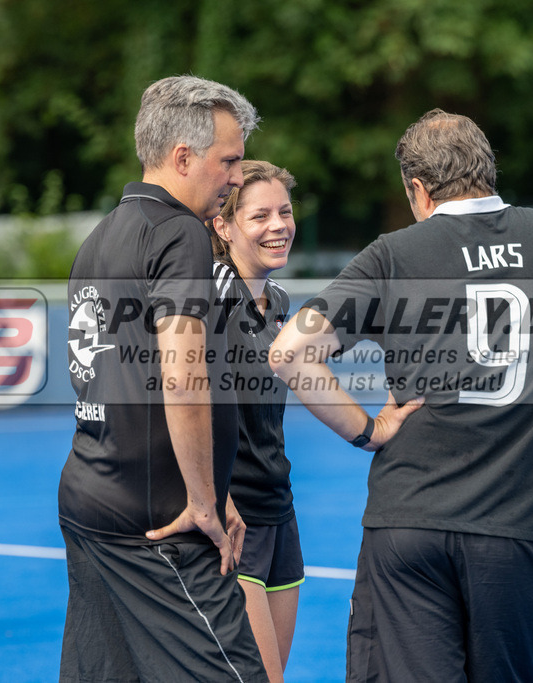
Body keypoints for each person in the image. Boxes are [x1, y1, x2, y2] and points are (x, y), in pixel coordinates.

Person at [269, 109, 533, 682]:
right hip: (513, 531)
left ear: (418, 188)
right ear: (487, 168)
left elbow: (289, 351)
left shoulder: (393, 253)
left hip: (407, 523)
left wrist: (366, 428)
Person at [58, 76, 269, 682]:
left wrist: (208, 480)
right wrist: (202, 500)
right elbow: (182, 375)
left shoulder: (101, 239)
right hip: (158, 525)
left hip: (91, 499)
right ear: (183, 157)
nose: (235, 177)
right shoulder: (180, 233)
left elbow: (109, 373)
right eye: (228, 161)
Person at [209, 160, 301, 682]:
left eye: (284, 212)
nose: (278, 226)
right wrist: (216, 499)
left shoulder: (280, 300)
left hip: (279, 508)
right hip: (234, 518)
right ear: (224, 227)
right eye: (259, 215)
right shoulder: (212, 294)